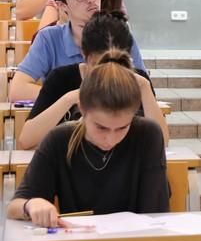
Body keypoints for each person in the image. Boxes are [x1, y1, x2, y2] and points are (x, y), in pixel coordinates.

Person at [7, 49, 169, 226]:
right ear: (82, 109)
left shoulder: (148, 135)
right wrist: (31, 205)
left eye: (122, 128)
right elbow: (15, 205)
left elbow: (156, 213)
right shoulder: (59, 139)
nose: (110, 139)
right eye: (101, 127)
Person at [18, 11, 169, 150]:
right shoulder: (61, 78)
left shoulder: (138, 81)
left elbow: (162, 142)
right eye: (100, 65)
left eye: (119, 64)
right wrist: (70, 98)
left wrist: (144, 87)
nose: (110, 72)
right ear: (85, 55)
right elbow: (26, 140)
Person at [9, 0, 146, 102]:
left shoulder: (120, 34)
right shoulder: (49, 38)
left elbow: (143, 88)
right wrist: (77, 98)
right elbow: (18, 90)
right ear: (62, 5)